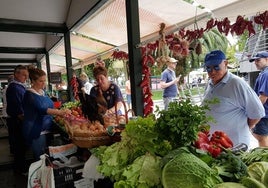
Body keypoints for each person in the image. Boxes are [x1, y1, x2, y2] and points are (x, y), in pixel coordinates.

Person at [202, 50, 265, 147]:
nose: (212, 71)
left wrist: (244, 126)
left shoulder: (237, 83)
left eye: (216, 67)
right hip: (213, 145)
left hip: (234, 146)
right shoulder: (210, 83)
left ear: (225, 63)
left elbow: (257, 112)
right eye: (208, 68)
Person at [22, 67, 71, 161]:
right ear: (33, 81)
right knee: (41, 158)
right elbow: (42, 109)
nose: (44, 83)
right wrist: (60, 112)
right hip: (36, 130)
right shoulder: (29, 95)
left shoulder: (42, 92)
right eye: (41, 81)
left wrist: (60, 110)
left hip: (46, 128)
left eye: (44, 81)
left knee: (47, 156)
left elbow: (50, 106)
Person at [6, 65, 29, 174]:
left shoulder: (19, 86)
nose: (26, 77)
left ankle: (20, 168)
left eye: (27, 75)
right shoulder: (14, 88)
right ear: (16, 74)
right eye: (24, 75)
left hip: (17, 120)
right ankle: (21, 170)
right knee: (19, 147)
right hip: (17, 121)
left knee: (20, 147)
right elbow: (19, 111)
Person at [249, 51, 268, 146]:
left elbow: (263, 97)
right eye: (255, 61)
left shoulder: (266, 74)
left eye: (258, 60)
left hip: (264, 114)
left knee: (261, 138)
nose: (256, 62)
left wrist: (253, 114)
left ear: (267, 59)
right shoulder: (263, 73)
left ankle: (264, 160)